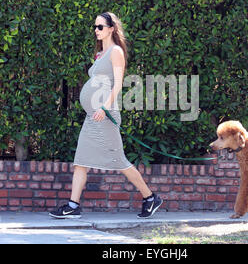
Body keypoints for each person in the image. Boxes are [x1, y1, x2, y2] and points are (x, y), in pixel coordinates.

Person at [49, 12, 163, 219]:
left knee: (119, 161)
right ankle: (73, 206)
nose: (96, 30)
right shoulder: (101, 54)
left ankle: (150, 198)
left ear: (111, 28)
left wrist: (104, 107)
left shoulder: (115, 52)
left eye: (100, 27)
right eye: (95, 27)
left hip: (105, 116)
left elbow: (118, 84)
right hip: (92, 117)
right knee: (80, 160)